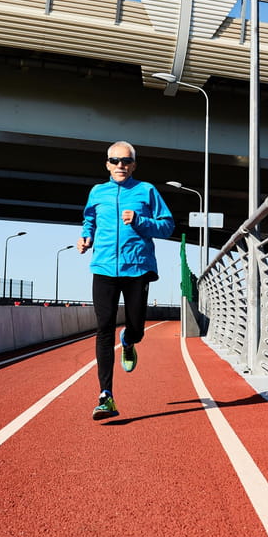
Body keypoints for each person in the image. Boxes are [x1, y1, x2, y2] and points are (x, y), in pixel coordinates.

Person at [77, 140, 175, 420]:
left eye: (126, 161)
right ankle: (105, 396)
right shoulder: (97, 192)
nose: (121, 165)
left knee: (136, 328)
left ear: (134, 164)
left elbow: (167, 226)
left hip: (137, 268)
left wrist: (140, 222)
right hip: (104, 268)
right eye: (115, 160)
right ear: (107, 163)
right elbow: (89, 221)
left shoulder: (147, 191)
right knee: (103, 329)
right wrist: (86, 238)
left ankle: (129, 340)